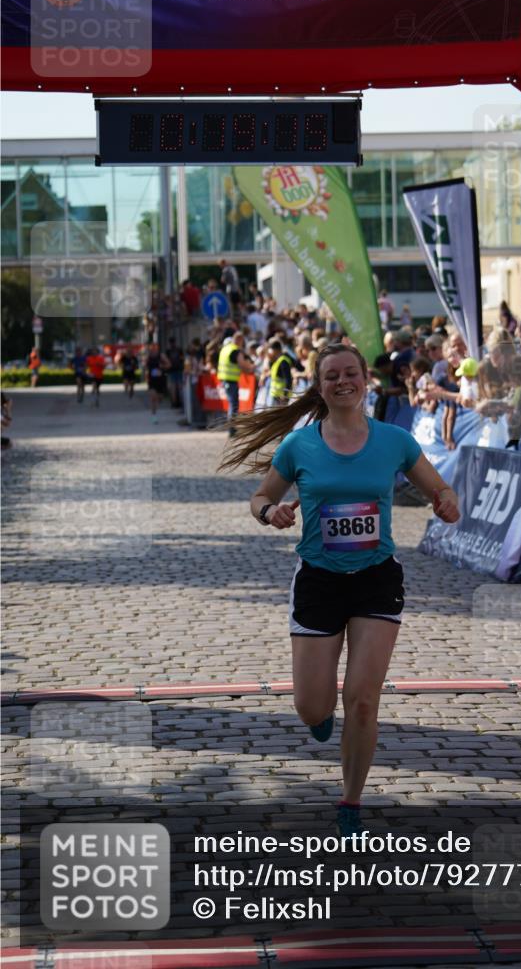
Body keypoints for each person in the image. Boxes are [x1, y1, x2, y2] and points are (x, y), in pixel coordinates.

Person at [218, 343, 460, 837]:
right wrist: (271, 512)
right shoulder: (299, 446)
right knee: (312, 705)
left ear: (366, 379)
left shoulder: (394, 440)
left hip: (376, 578)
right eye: (332, 375)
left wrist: (447, 501)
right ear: (320, 385)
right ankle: (319, 715)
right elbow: (261, 495)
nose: (343, 381)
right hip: (319, 580)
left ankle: (350, 800)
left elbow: (439, 487)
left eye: (351, 373)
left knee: (364, 699)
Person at [217, 331, 255, 435]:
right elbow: (242, 365)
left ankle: (232, 428)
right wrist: (252, 369)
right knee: (233, 405)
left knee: (231, 404)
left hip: (225, 380)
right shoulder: (235, 351)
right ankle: (232, 429)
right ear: (240, 340)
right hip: (231, 380)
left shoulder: (225, 348)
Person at [144, 341, 171, 423]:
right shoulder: (148, 357)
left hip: (161, 379)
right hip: (152, 380)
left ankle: (160, 399)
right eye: (151, 347)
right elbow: (145, 368)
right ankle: (154, 416)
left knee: (160, 397)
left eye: (155, 346)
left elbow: (169, 365)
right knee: (153, 398)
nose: (153, 348)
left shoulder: (161, 356)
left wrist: (162, 366)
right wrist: (146, 377)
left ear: (157, 348)